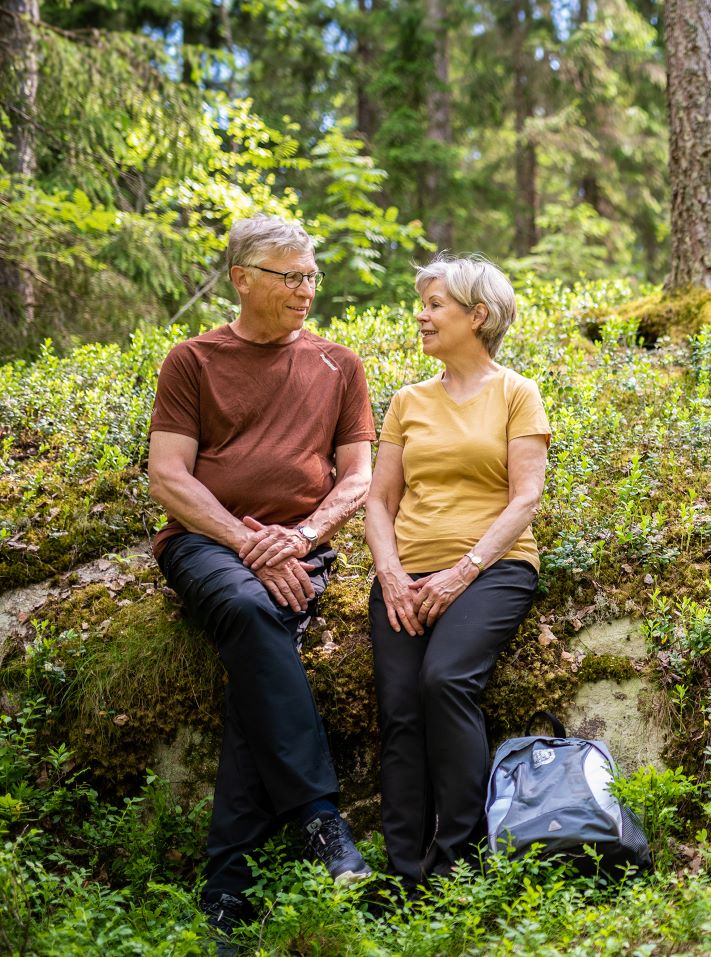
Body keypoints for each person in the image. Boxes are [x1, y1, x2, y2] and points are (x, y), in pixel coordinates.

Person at [147, 216, 376, 945]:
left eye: (311, 276)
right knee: (253, 608)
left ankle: (226, 893)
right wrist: (249, 541)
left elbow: (359, 478)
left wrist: (302, 538)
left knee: (258, 631)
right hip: (209, 542)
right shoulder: (192, 359)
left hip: (299, 545)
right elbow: (168, 476)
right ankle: (318, 818)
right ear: (243, 278)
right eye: (290, 277)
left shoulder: (340, 363)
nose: (306, 290)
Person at [365, 255, 549, 891]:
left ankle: (456, 862)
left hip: (494, 568)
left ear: (479, 316)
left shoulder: (516, 392)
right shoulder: (407, 401)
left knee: (444, 681)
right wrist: (389, 572)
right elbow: (379, 500)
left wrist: (463, 571)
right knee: (399, 708)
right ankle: (403, 875)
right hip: (406, 572)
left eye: (435, 304)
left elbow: (525, 498)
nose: (422, 314)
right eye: (422, 303)